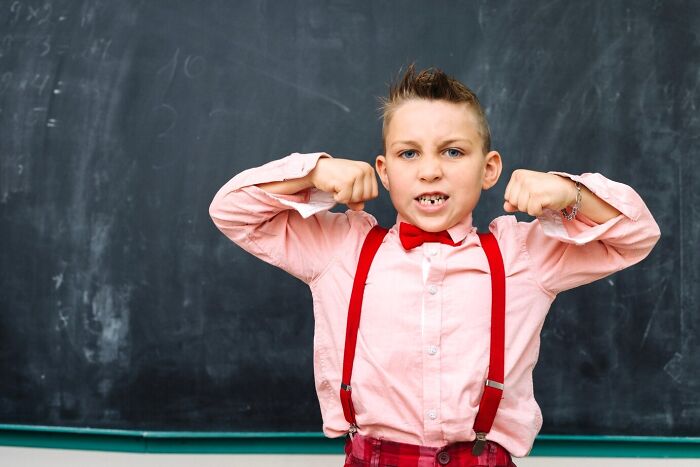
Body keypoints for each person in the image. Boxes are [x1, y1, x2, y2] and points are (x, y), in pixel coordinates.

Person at [208, 64, 661, 466]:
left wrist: (571, 194)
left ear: (489, 170)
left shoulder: (523, 255)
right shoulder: (339, 249)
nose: (429, 171)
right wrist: (312, 175)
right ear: (383, 172)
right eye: (409, 153)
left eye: (452, 152)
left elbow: (636, 236)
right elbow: (230, 210)